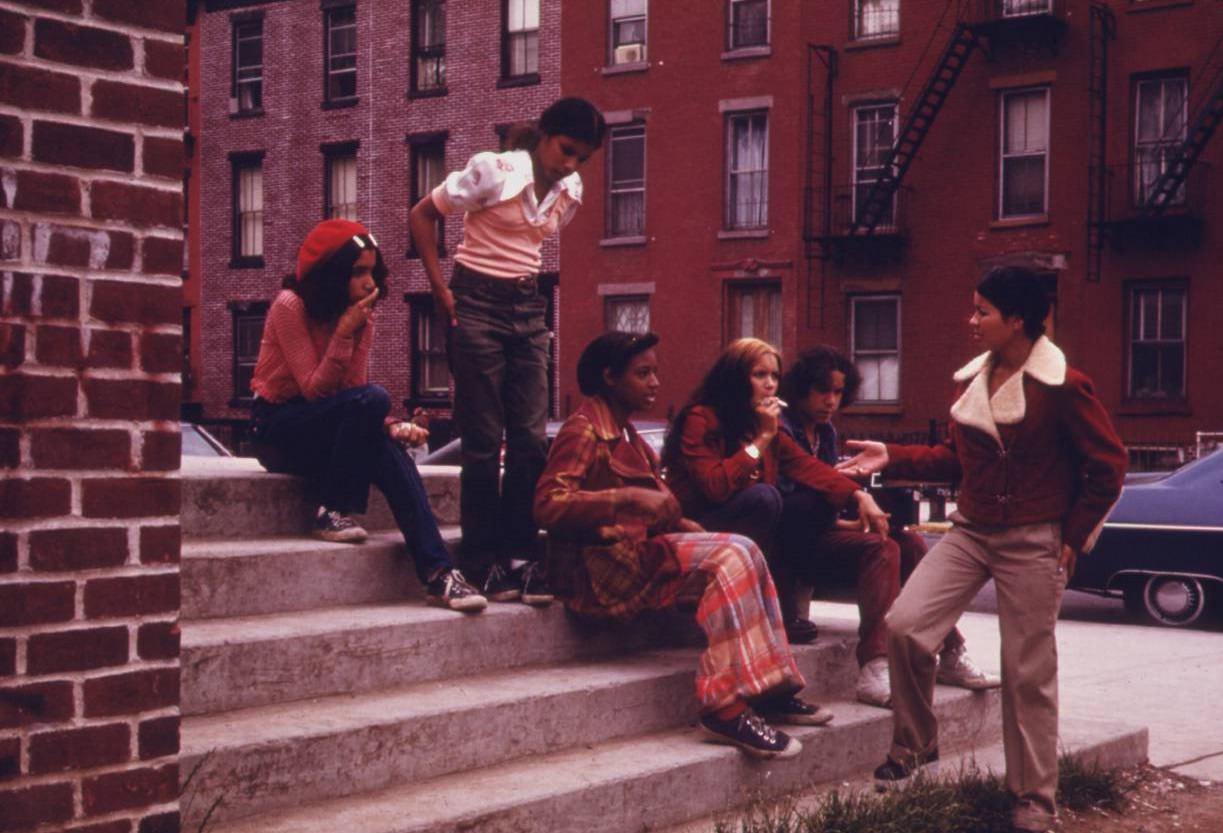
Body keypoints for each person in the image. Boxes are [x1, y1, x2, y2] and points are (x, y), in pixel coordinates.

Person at [838, 267, 1126, 832]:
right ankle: (916, 745)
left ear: (1016, 319)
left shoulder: (1064, 386)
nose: (971, 322)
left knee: (1026, 672)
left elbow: (1108, 466)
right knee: (905, 626)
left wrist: (1074, 536)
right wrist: (891, 456)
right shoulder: (975, 381)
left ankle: (1033, 801)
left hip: (1033, 538)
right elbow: (954, 458)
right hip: (970, 530)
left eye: (981, 312)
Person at [535, 332, 834, 759]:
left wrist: (679, 520)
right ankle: (722, 708)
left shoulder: (627, 433)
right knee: (730, 556)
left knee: (745, 548)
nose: (655, 381)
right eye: (643, 373)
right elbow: (547, 505)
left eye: (655, 371)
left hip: (634, 554)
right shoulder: (584, 430)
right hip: (598, 569)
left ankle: (770, 687)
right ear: (609, 377)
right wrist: (623, 500)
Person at [409, 97, 608, 606]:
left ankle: (520, 556)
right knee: (482, 437)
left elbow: (534, 245)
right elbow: (422, 214)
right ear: (544, 135)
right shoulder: (493, 171)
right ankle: (480, 561)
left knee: (529, 438)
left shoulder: (571, 190)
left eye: (581, 158)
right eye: (566, 150)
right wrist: (439, 288)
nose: (570, 164)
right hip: (474, 301)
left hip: (527, 305)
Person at [248, 219, 487, 614]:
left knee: (387, 448)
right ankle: (334, 509)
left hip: (325, 426)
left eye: (372, 271)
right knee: (374, 401)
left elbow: (351, 397)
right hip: (275, 426)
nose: (368, 281)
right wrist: (344, 334)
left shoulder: (361, 317)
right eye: (358, 271)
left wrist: (394, 426)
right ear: (332, 272)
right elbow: (313, 388)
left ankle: (440, 574)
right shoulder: (289, 306)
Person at [775, 346, 999, 708]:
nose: (830, 400)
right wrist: (856, 499)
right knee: (881, 548)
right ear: (801, 388)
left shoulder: (826, 433)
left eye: (837, 392)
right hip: (790, 550)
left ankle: (951, 649)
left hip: (821, 537)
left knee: (906, 543)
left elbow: (825, 502)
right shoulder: (781, 430)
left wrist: (851, 521)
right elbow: (799, 495)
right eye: (822, 390)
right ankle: (874, 665)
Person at [660, 337, 891, 646]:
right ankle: (733, 596)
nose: (770, 385)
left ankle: (772, 606)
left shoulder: (760, 424)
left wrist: (859, 496)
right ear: (736, 377)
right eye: (760, 375)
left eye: (774, 376)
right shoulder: (701, 418)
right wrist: (763, 438)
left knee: (790, 503)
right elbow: (715, 487)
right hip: (698, 527)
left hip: (744, 532)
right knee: (766, 498)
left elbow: (808, 467)